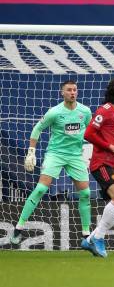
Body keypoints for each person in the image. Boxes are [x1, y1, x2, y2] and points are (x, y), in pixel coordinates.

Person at [10, 80, 92, 245]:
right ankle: (18, 229)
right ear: (62, 92)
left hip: (75, 156)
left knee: (85, 194)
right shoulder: (54, 112)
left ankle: (86, 236)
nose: (72, 93)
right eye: (69, 90)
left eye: (75, 90)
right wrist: (31, 152)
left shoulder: (85, 111)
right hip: (55, 154)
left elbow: (91, 132)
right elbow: (37, 129)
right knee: (40, 188)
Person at [81, 78, 114, 258]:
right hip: (100, 163)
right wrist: (111, 149)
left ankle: (90, 239)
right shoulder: (106, 110)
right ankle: (99, 238)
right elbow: (88, 133)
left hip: (111, 164)